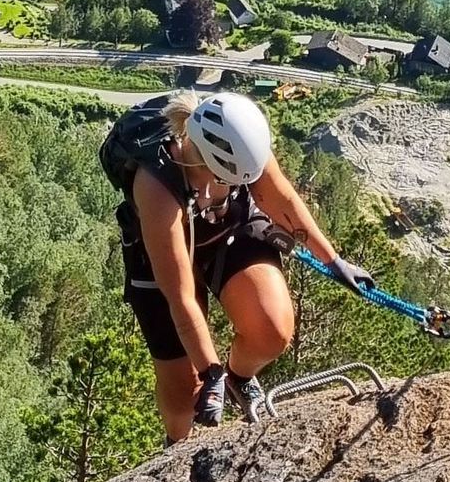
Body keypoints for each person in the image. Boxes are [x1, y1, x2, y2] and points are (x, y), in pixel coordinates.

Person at [100, 87, 365, 440]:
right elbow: (181, 299)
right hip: (159, 254)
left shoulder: (240, 145)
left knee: (272, 329)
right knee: (185, 391)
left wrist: (332, 260)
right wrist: (210, 373)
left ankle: (239, 378)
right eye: (230, 180)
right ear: (207, 161)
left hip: (228, 225)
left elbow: (279, 197)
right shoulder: (157, 187)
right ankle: (177, 447)